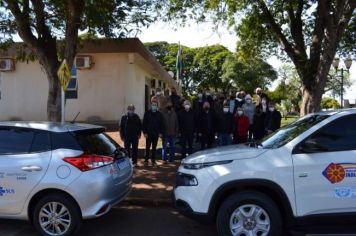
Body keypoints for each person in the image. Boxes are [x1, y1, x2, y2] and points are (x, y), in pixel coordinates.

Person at [143, 100, 163, 166]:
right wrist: (145, 132)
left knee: (154, 148)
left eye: (155, 105)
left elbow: (161, 124)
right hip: (148, 134)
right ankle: (146, 160)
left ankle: (153, 161)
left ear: (157, 106)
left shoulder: (159, 114)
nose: (154, 106)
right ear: (151, 105)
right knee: (147, 147)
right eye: (153, 105)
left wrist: (160, 132)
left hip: (156, 134)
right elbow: (144, 124)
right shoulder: (147, 113)